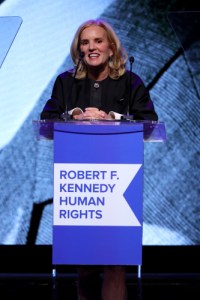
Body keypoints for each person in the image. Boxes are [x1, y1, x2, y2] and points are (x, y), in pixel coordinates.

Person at [40, 19, 158, 300]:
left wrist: (112, 119)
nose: (92, 47)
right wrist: (74, 116)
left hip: (119, 180)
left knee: (116, 264)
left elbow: (150, 123)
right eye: (85, 42)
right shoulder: (66, 82)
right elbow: (45, 122)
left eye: (98, 41)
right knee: (86, 265)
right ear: (78, 49)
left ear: (111, 47)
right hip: (82, 183)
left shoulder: (131, 82)